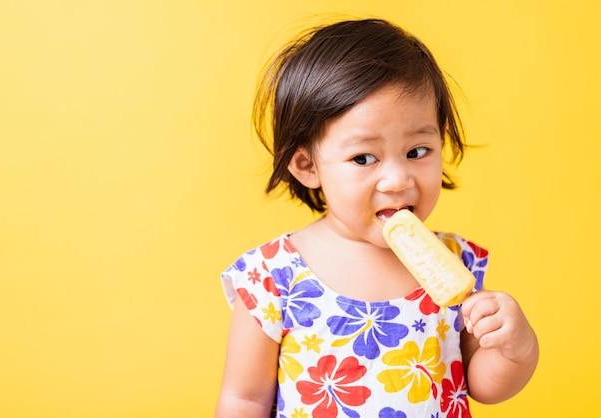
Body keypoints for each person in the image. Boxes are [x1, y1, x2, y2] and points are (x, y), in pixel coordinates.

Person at [215, 18, 538, 418]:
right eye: (364, 158)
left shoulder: (456, 261)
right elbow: (244, 399)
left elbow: (482, 386)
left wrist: (515, 349)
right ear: (306, 165)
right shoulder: (272, 276)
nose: (398, 179)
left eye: (417, 151)